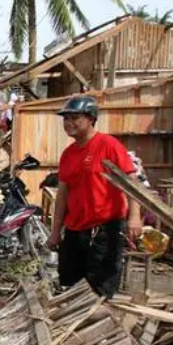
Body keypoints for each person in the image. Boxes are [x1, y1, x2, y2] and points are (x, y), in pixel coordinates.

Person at [47, 96, 142, 297]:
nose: (69, 123)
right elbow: (62, 195)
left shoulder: (108, 145)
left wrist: (134, 217)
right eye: (66, 119)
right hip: (75, 228)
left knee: (100, 285)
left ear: (91, 119)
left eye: (75, 118)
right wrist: (56, 231)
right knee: (69, 282)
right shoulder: (68, 154)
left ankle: (97, 324)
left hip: (105, 228)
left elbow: (132, 183)